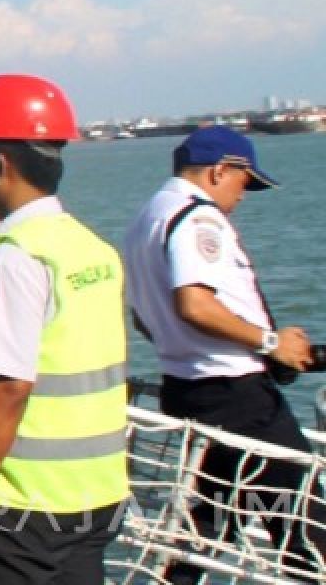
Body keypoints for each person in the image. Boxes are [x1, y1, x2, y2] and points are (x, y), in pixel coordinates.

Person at [0, 74, 129, 583]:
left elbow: (10, 387)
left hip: (22, 501)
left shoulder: (15, 257)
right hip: (97, 493)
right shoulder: (90, 248)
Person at [123, 125, 324, 582]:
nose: (243, 196)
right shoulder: (199, 218)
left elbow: (145, 319)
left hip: (187, 389)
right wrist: (272, 343)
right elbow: (194, 302)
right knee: (305, 525)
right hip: (238, 397)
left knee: (206, 527)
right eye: (243, 182)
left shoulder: (146, 218)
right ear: (219, 171)